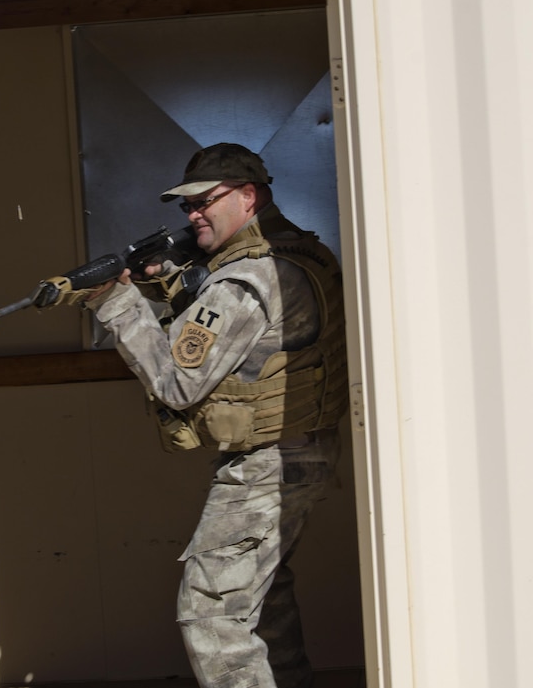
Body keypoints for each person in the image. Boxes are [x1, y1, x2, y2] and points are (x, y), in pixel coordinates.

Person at [84, 143, 348, 688]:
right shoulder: (305, 254)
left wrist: (114, 301)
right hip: (304, 449)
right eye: (186, 206)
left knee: (213, 614)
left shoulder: (245, 280)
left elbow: (178, 382)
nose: (193, 214)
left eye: (205, 201)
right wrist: (170, 285)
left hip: (264, 465)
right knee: (262, 594)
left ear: (248, 196)